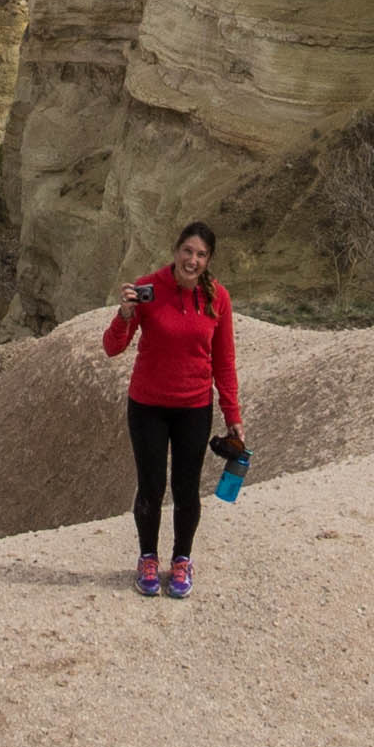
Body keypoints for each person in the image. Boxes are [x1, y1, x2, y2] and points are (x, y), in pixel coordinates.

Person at [104, 221, 244, 597]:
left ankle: (181, 560)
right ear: (176, 250)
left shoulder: (219, 299)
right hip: (148, 405)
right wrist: (124, 316)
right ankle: (148, 558)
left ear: (208, 260)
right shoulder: (149, 289)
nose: (192, 260)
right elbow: (112, 347)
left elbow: (224, 362)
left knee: (186, 490)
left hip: (193, 409)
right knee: (151, 487)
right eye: (188, 251)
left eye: (201, 255)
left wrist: (233, 416)